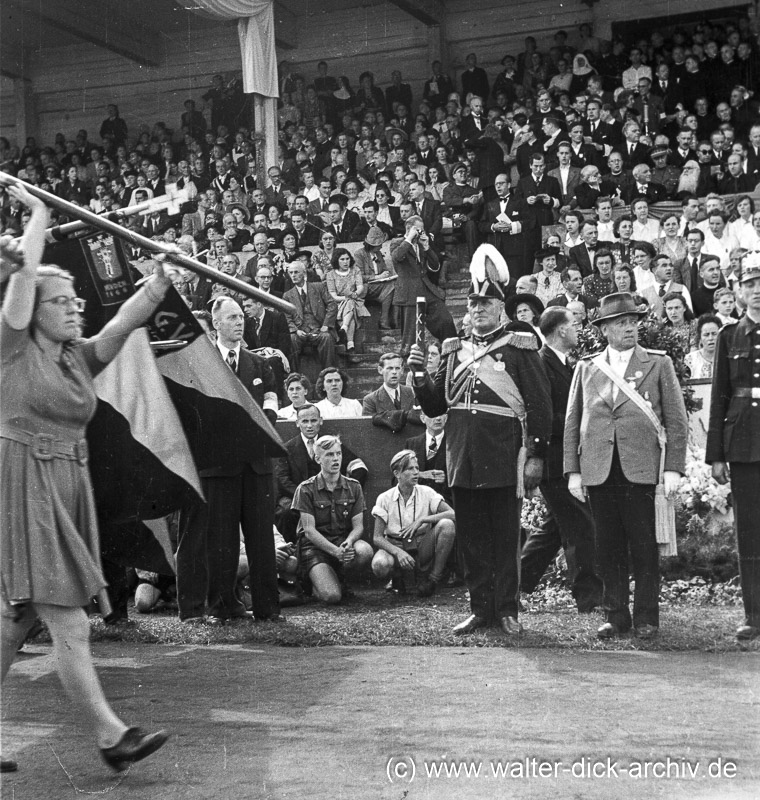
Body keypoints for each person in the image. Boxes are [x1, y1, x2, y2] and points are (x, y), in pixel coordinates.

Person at [0, 182, 169, 772]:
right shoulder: (10, 346)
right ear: (32, 311)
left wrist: (157, 283)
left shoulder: (74, 356)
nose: (75, 307)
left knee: (15, 617)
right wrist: (40, 213)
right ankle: (110, 736)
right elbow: (21, 287)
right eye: (62, 300)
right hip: (23, 481)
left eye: (76, 298)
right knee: (67, 618)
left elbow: (120, 327)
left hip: (65, 486)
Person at [409, 244, 552, 635]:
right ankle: (479, 609)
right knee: (471, 541)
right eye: (473, 305)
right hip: (462, 457)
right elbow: (438, 407)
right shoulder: (455, 351)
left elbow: (540, 406)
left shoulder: (520, 347)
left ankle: (507, 610)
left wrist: (536, 455)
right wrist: (420, 378)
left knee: (505, 539)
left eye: (486, 304)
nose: (478, 310)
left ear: (501, 307)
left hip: (504, 456)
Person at [564, 292, 688, 640]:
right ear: (604, 329)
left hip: (641, 468)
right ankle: (615, 615)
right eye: (621, 323)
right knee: (608, 545)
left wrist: (672, 469)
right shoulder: (587, 368)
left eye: (633, 322)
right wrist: (573, 470)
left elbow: (677, 421)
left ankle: (647, 617)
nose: (630, 328)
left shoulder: (658, 363)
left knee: (644, 545)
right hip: (600, 468)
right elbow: (573, 423)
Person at [177, 297, 282, 625]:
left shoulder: (261, 364)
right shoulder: (201, 366)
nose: (239, 322)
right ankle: (223, 607)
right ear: (217, 324)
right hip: (219, 467)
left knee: (262, 538)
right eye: (232, 318)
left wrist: (254, 429)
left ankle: (268, 609)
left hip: (256, 464)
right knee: (220, 541)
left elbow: (271, 408)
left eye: (241, 317)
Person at [520, 307, 603, 612]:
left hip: (565, 459)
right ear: (559, 331)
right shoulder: (541, 363)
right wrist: (582, 422)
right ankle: (590, 600)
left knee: (555, 528)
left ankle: (516, 586)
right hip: (554, 462)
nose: (578, 328)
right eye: (573, 324)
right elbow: (540, 415)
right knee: (581, 527)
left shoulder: (564, 363)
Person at [706, 253, 760, 641]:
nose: (757, 292)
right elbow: (720, 397)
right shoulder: (730, 336)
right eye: (750, 285)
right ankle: (754, 615)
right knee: (750, 531)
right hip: (743, 443)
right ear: (739, 292)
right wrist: (716, 455)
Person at [291, 435, 373, 604]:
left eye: (338, 453)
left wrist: (348, 543)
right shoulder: (306, 489)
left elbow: (358, 527)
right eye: (329, 455)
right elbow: (309, 531)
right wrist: (336, 552)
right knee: (332, 597)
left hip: (341, 541)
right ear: (317, 458)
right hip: (314, 547)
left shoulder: (354, 486)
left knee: (364, 551)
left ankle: (339, 577)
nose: (335, 459)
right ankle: (315, 583)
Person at [275, 404, 366, 543]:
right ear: (297, 423)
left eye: (314, 420)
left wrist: (344, 491)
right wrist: (307, 498)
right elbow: (282, 480)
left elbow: (359, 467)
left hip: (328, 496)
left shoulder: (331, 444)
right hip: (296, 496)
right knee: (285, 511)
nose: (309, 425)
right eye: (305, 421)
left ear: (321, 421)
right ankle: (292, 550)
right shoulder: (287, 448)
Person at [371, 450, 456, 597]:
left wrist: (423, 520)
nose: (416, 472)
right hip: (395, 546)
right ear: (397, 473)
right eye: (410, 469)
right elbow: (377, 537)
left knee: (447, 525)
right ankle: (397, 577)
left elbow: (453, 514)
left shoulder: (427, 492)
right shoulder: (384, 498)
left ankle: (433, 579)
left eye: (417, 468)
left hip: (422, 544)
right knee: (380, 565)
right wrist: (398, 552)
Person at [390, 215, 457, 357]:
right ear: (410, 229)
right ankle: (409, 360)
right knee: (411, 333)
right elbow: (397, 257)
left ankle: (451, 349)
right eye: (419, 230)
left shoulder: (421, 244)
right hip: (409, 292)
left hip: (427, 289)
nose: (422, 233)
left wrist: (427, 248)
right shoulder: (397, 243)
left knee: (445, 319)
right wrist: (409, 239)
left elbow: (435, 266)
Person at [283, 261, 338, 371]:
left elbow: (332, 305)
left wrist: (326, 325)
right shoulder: (287, 295)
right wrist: (296, 330)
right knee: (291, 339)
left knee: (326, 337)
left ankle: (329, 372)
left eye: (296, 272)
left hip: (318, 329)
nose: (293, 275)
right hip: (300, 331)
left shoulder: (318, 287)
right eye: (291, 273)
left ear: (303, 273)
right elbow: (287, 317)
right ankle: (294, 375)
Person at [325, 248, 368, 363]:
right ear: (336, 261)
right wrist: (347, 298)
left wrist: (353, 295)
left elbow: (360, 287)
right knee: (350, 311)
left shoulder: (355, 270)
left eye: (347, 259)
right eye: (342, 259)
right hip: (337, 303)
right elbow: (333, 295)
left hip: (355, 301)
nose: (345, 262)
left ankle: (344, 329)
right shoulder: (330, 274)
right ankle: (350, 344)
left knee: (350, 304)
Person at [362, 352, 423, 433]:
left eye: (397, 368)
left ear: (402, 370)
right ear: (380, 370)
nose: (394, 372)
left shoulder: (412, 393)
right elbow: (368, 429)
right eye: (389, 368)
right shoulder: (370, 400)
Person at [354, 227, 396, 330]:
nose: (381, 246)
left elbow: (385, 268)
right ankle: (385, 319)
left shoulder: (378, 254)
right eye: (379, 244)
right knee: (391, 287)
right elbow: (359, 277)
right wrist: (376, 277)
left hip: (379, 285)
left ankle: (393, 320)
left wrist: (387, 274)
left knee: (395, 284)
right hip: (366, 286)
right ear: (372, 245)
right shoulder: (360, 254)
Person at [685, 314, 720, 379]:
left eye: (714, 334)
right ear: (700, 337)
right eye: (706, 335)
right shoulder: (690, 359)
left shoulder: (727, 358)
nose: (710, 338)